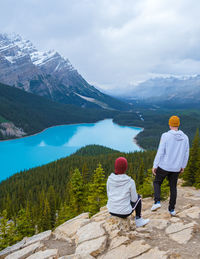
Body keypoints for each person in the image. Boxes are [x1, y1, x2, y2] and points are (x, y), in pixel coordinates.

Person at [151, 115, 189, 216]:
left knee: (157, 182)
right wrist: (183, 166)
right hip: (176, 167)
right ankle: (172, 210)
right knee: (173, 187)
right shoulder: (185, 137)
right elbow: (186, 154)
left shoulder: (165, 136)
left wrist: (155, 165)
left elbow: (160, 152)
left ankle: (157, 202)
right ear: (178, 124)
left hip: (164, 165)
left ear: (170, 124)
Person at [107, 157, 149, 227]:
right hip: (124, 213)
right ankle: (138, 219)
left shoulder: (109, 179)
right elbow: (134, 199)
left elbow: (109, 195)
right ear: (125, 168)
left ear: (115, 167)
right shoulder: (130, 181)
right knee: (138, 197)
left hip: (111, 210)